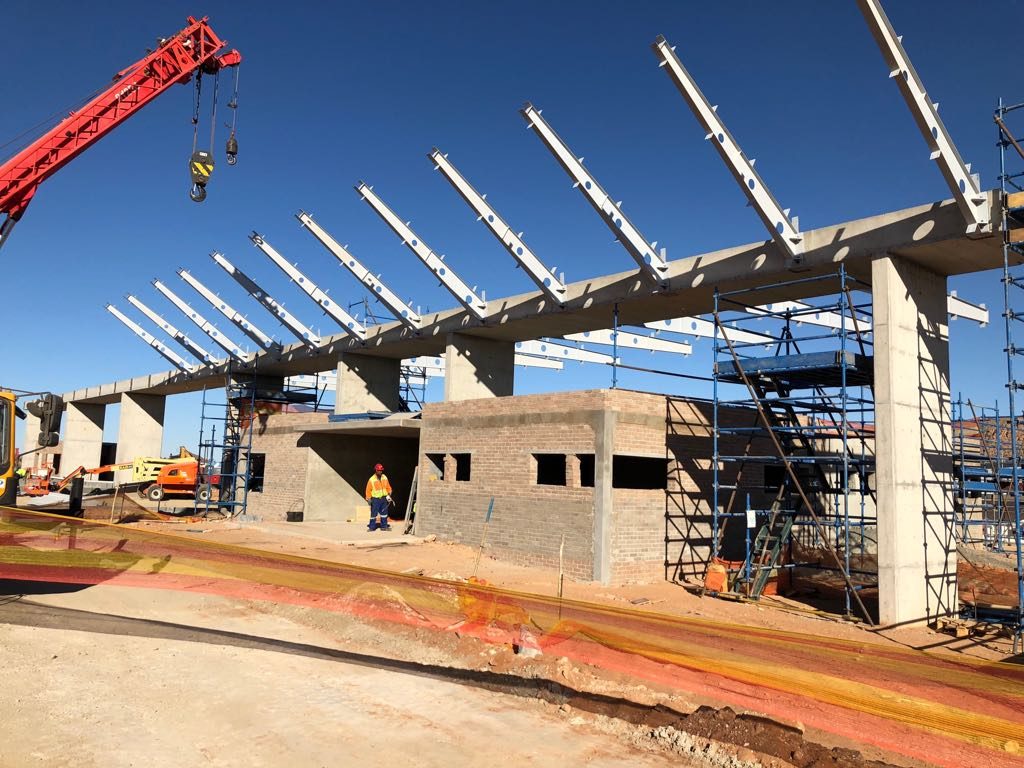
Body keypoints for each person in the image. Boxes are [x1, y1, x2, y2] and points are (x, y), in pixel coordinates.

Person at [365, 463, 393, 531]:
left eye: (381, 470)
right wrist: (368, 499)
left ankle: (384, 527)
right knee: (373, 514)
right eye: (378, 470)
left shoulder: (384, 477)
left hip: (384, 499)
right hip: (375, 499)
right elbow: (368, 490)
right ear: (376, 470)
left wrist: (389, 494)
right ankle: (371, 527)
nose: (380, 471)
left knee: (384, 513)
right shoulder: (371, 479)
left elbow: (388, 487)